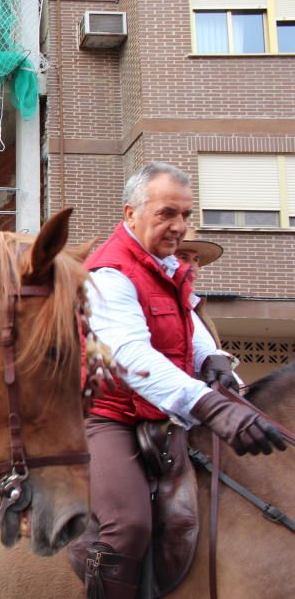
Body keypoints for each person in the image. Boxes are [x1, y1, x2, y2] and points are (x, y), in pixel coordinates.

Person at [78, 162, 286, 599]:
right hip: (110, 416)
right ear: (130, 213)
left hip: (166, 413)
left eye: (186, 215)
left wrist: (213, 358)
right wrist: (214, 407)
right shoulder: (110, 273)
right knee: (127, 526)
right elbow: (131, 357)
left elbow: (187, 326)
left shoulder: (166, 264)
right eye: (167, 214)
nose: (180, 227)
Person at [175, 228, 224, 346]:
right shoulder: (153, 304)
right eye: (184, 257)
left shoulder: (198, 310)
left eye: (196, 259)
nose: (192, 266)